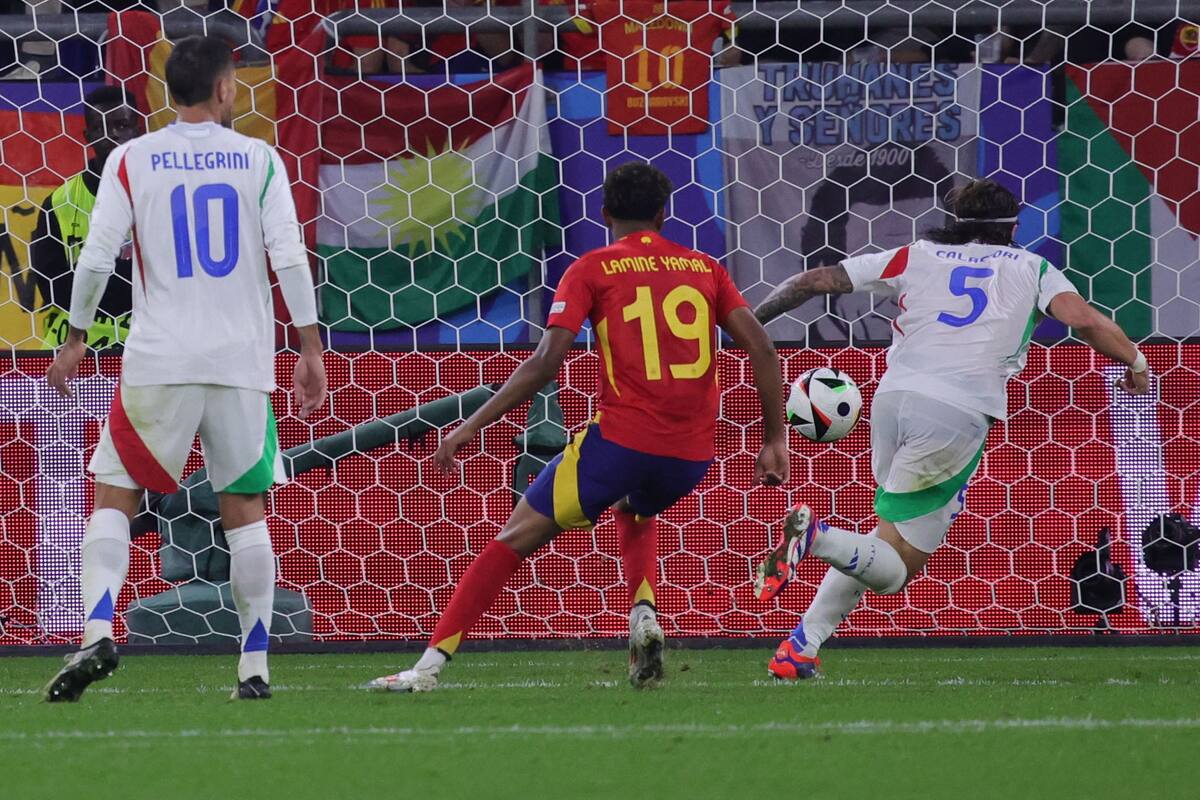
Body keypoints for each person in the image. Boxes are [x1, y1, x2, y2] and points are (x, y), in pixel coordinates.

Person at [367, 161, 789, 692]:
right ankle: (643, 612)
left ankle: (425, 669)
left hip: (620, 442)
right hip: (690, 457)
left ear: (605, 212)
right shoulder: (706, 269)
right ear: (664, 213)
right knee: (635, 506)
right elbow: (764, 349)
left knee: (513, 538)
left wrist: (468, 426)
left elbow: (545, 363)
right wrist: (775, 440)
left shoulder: (591, 269)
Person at [752, 179, 1150, 680]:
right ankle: (817, 536)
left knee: (881, 544)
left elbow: (814, 280)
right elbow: (1083, 320)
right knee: (895, 571)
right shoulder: (1032, 268)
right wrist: (1136, 361)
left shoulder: (917, 255)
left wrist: (745, 322)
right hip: (955, 412)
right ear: (1012, 226)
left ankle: (800, 648)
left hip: (893, 401)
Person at [41, 35, 327, 702]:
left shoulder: (132, 158)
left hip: (159, 357)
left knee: (115, 493)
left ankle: (96, 632)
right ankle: (254, 668)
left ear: (165, 92)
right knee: (245, 507)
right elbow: (288, 256)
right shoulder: (259, 160)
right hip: (240, 361)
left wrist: (77, 335)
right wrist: (310, 347)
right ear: (227, 88)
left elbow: (95, 256)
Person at [30, 86, 143, 350]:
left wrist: (92, 277)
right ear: (87, 136)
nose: (113, 134)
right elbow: (53, 289)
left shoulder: (162, 195)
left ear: (138, 130)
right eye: (101, 127)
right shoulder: (59, 202)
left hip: (144, 348)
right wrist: (126, 278)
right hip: (73, 348)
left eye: (122, 124)